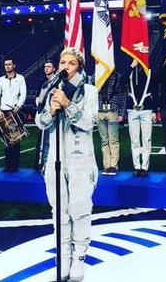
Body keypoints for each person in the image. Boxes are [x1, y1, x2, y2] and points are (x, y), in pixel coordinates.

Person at [35, 47, 98, 282]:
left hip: (81, 158)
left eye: (71, 63)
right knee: (59, 212)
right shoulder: (51, 88)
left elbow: (88, 122)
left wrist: (67, 104)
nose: (65, 67)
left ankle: (79, 257)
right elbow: (39, 122)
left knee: (80, 209)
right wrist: (51, 110)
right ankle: (62, 258)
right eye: (62, 62)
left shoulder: (90, 91)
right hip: (55, 159)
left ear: (79, 67)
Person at [121, 59, 156, 177]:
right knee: (134, 139)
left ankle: (145, 167)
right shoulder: (130, 71)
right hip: (132, 109)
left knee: (147, 139)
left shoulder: (149, 72)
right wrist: (131, 66)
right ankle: (137, 166)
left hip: (147, 109)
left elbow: (156, 91)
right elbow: (121, 81)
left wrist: (155, 111)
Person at [0, 57, 27, 172]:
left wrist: (18, 107)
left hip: (14, 112)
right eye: (5, 65)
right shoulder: (0, 80)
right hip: (4, 113)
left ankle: (15, 166)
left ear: (14, 65)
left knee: (16, 139)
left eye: (9, 64)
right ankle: (7, 165)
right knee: (6, 140)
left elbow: (23, 94)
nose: (7, 66)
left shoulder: (21, 78)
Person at [97, 71, 125, 176]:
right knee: (104, 140)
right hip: (99, 111)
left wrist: (121, 112)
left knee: (113, 140)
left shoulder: (118, 77)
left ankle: (114, 165)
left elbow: (123, 95)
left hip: (113, 110)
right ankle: (106, 165)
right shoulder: (97, 75)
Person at [34, 60, 57, 171]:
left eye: (49, 66)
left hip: (55, 114)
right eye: (45, 67)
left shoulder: (57, 82)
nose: (46, 69)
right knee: (43, 141)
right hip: (44, 115)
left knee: (52, 140)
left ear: (54, 69)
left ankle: (50, 163)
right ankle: (41, 162)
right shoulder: (42, 83)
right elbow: (37, 98)